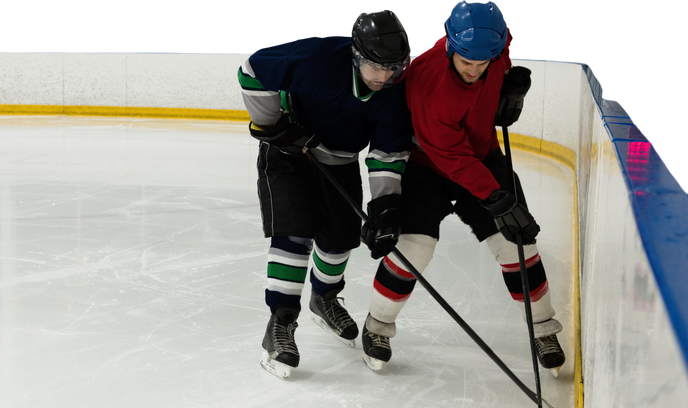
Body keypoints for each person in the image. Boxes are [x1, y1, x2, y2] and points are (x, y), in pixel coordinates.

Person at [360, 0, 566, 374]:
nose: (474, 70)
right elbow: (451, 156)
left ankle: (543, 328)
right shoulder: (429, 82)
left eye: (482, 63)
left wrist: (507, 92)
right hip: (428, 165)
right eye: (466, 61)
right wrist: (497, 199)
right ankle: (377, 327)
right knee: (414, 248)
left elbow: (504, 35)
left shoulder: (493, 48)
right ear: (452, 46)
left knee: (516, 242)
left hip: (483, 156)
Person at [238, 8, 414, 379]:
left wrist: (385, 206)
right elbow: (253, 71)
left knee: (339, 240)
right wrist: (272, 125)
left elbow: (387, 153)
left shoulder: (396, 93)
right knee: (295, 232)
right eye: (377, 67)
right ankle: (280, 323)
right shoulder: (316, 56)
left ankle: (324, 298)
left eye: (395, 67)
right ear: (356, 55)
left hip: (341, 158)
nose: (385, 76)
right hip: (289, 150)